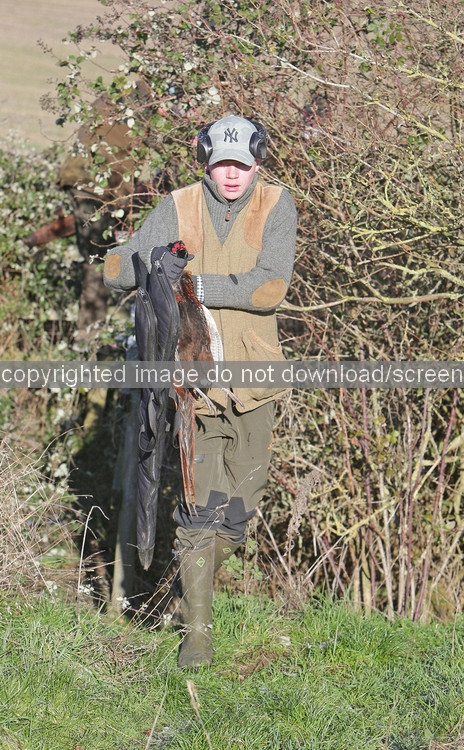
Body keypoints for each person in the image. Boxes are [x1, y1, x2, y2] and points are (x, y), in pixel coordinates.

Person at [102, 114, 297, 668]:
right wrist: (145, 265)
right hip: (196, 387)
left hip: (257, 381)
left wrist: (193, 286)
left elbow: (270, 287)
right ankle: (198, 637)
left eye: (241, 164)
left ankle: (180, 591)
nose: (231, 174)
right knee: (198, 510)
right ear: (205, 162)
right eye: (221, 164)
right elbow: (119, 268)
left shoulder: (277, 205)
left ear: (257, 162)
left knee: (237, 517)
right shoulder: (179, 205)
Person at [58, 82, 151, 343]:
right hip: (94, 187)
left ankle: (92, 331)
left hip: (83, 180)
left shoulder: (119, 95)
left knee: (98, 258)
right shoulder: (143, 106)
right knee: (97, 260)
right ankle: (89, 336)